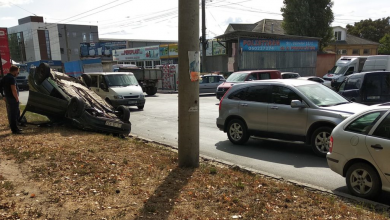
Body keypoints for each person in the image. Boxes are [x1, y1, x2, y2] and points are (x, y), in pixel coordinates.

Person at [0, 65, 23, 134]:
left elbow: (0, 87)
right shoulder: (12, 78)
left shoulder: (5, 78)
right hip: (13, 98)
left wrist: (3, 95)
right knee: (14, 114)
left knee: (11, 114)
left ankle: (14, 127)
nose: (17, 74)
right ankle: (15, 129)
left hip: (8, 97)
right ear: (15, 71)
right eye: (17, 72)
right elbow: (14, 89)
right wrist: (17, 98)